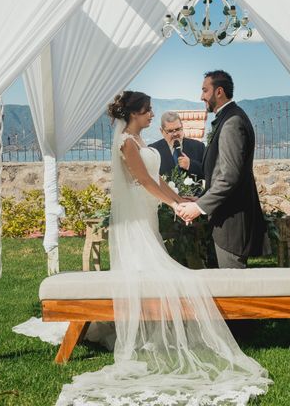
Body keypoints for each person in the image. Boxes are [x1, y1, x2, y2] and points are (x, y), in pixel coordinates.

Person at [57, 91, 270, 405]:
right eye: (147, 111)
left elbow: (156, 178)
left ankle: (150, 323)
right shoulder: (127, 144)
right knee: (151, 271)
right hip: (134, 221)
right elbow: (143, 182)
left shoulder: (140, 142)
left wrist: (181, 199)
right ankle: (142, 328)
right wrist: (173, 204)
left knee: (154, 269)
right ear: (134, 114)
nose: (152, 116)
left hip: (148, 215)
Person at [177, 71, 268, 269]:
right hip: (225, 218)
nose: (201, 96)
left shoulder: (232, 122)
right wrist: (200, 198)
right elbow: (218, 171)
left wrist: (198, 208)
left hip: (232, 222)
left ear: (219, 92)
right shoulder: (228, 117)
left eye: (204, 90)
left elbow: (229, 176)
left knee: (234, 288)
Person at [148, 111, 205, 180]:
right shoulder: (153, 150)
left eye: (178, 129)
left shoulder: (198, 147)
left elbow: (209, 173)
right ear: (162, 131)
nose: (175, 134)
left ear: (182, 126)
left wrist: (190, 165)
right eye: (170, 131)